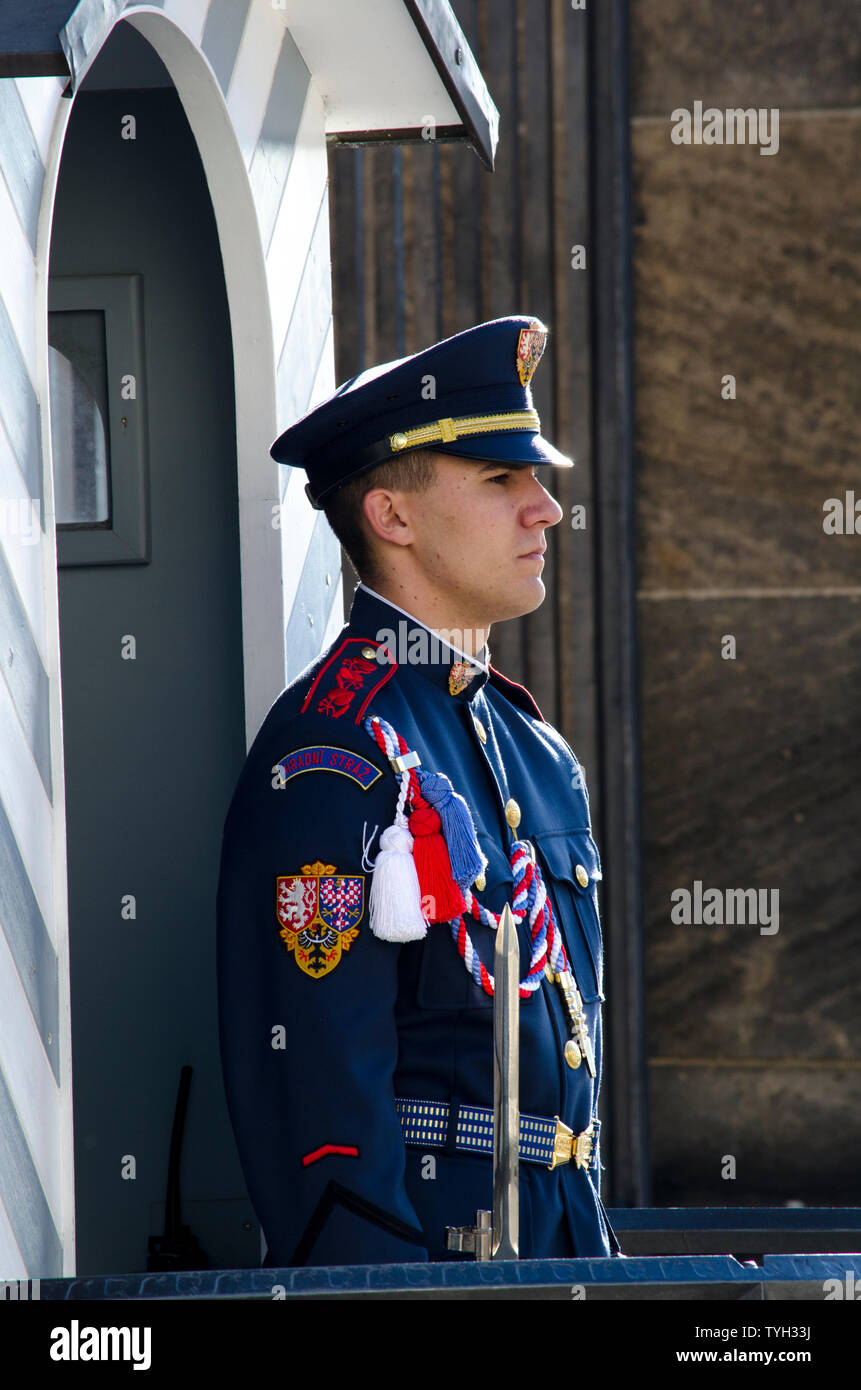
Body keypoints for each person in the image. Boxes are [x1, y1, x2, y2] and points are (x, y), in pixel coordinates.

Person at [216, 315, 620, 1266]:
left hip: (559, 1251)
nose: (546, 509)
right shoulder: (335, 746)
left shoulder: (534, 748)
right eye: (500, 480)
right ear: (390, 518)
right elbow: (318, 1088)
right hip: (435, 1268)